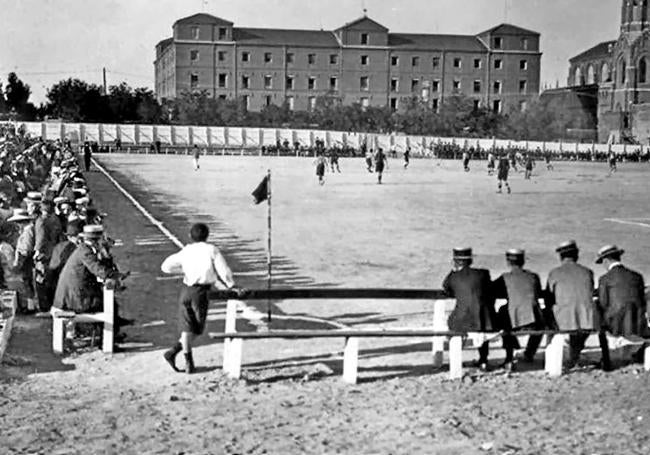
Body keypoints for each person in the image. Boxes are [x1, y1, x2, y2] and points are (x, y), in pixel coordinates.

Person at [160, 223, 241, 374]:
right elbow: (223, 270)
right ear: (207, 235)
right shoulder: (211, 249)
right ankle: (181, 357)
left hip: (186, 290)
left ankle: (182, 358)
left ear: (191, 236)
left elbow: (165, 267)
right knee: (196, 330)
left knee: (187, 328)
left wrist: (182, 270)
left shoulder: (186, 250)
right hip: (201, 293)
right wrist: (231, 285)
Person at [442, 247, 497, 370]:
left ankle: (455, 359)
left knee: (452, 323)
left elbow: (446, 288)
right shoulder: (483, 273)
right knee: (482, 324)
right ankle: (483, 360)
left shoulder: (453, 277)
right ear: (471, 261)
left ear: (455, 261)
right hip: (483, 318)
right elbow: (490, 290)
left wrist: (453, 271)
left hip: (462, 318)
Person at [595, 245, 648, 369]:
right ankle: (637, 353)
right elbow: (641, 299)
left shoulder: (604, 279)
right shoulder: (637, 276)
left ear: (606, 261)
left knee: (598, 314)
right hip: (638, 322)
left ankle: (606, 360)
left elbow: (603, 303)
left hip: (615, 323)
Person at [544, 240, 596, 368]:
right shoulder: (587, 272)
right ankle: (574, 354)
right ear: (576, 255)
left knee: (549, 314)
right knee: (578, 322)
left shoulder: (554, 273)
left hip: (562, 319)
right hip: (586, 318)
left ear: (561, 257)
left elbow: (548, 298)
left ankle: (550, 354)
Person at [492, 249, 545, 371]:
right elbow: (537, 291)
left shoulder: (505, 278)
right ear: (523, 262)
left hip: (514, 322)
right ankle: (529, 353)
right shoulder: (533, 276)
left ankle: (509, 357)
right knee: (539, 316)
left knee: (503, 313)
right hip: (535, 322)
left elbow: (491, 290)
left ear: (508, 262)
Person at [34, 199, 63, 311]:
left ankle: (44, 306)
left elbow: (40, 239)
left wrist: (37, 252)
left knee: (41, 280)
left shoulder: (41, 221)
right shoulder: (56, 219)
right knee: (52, 279)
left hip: (44, 254)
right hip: (55, 251)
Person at [8, 208, 37, 313]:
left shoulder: (28, 231)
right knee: (26, 283)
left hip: (26, 260)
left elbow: (26, 248)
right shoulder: (27, 230)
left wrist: (19, 262)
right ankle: (29, 305)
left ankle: (31, 307)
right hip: (25, 259)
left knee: (27, 282)